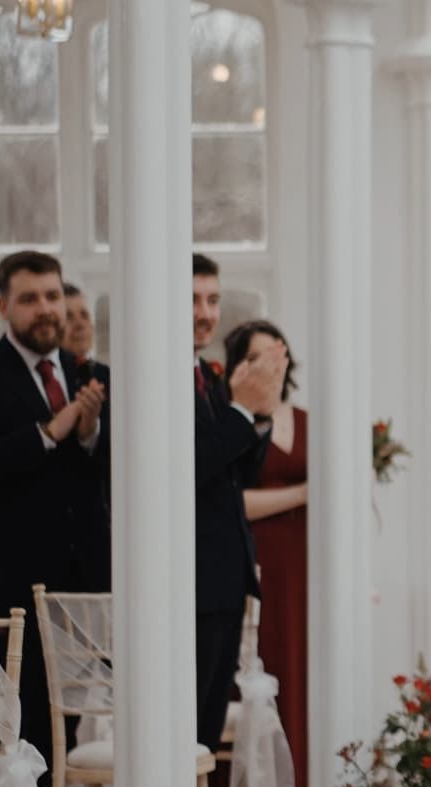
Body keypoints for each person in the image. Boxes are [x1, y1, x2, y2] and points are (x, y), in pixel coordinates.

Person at [0, 250, 111, 782]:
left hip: (78, 592)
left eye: (53, 296)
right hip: (6, 587)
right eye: (30, 298)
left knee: (65, 738)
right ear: (3, 306)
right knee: (6, 738)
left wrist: (89, 434)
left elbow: (119, 474)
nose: (45, 308)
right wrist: (48, 433)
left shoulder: (95, 377)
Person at [191, 254, 285, 756]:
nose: (205, 313)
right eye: (192, 300)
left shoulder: (207, 376)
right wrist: (243, 409)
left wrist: (260, 415)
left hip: (227, 581)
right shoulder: (154, 378)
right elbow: (191, 466)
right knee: (188, 732)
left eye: (212, 300)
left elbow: (237, 474)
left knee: (204, 737)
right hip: (193, 582)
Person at [224, 319, 310, 787]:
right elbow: (233, 502)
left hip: (303, 565)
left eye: (272, 353)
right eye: (254, 357)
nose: (267, 365)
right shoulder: (239, 425)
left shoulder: (307, 419)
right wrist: (303, 494)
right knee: (261, 667)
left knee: (301, 671)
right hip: (258, 560)